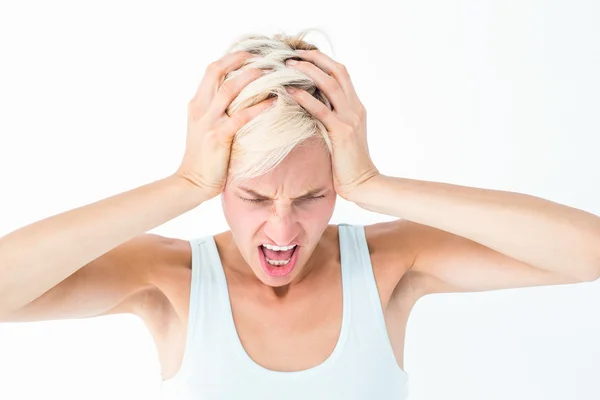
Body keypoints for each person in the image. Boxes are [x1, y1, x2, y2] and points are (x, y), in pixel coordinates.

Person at [1, 30, 599, 400]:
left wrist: (375, 184)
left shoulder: (389, 267)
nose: (284, 231)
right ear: (220, 183)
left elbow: (586, 252)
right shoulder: (169, 281)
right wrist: (180, 185)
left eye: (312, 196)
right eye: (256, 198)